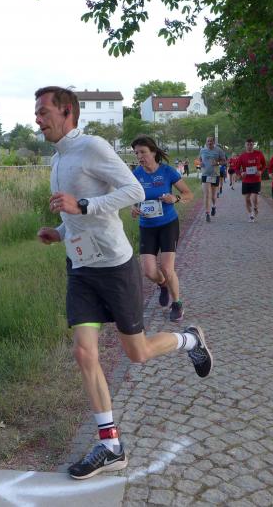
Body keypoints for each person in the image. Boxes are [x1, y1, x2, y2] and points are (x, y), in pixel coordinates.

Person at [34, 86, 213, 480]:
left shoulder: (93, 147)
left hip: (114, 267)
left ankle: (190, 340)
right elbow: (77, 215)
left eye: (44, 111)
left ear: (67, 112)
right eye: (37, 112)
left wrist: (83, 205)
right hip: (80, 267)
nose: (37, 119)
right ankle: (110, 446)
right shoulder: (58, 159)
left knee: (138, 352)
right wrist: (60, 232)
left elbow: (133, 190)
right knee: (84, 352)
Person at [131, 135, 193, 322]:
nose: (139, 156)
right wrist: (133, 208)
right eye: (136, 153)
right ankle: (163, 284)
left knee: (167, 267)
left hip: (168, 224)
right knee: (149, 271)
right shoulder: (136, 174)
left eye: (143, 152)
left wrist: (175, 199)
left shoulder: (167, 171)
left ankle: (177, 304)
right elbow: (132, 199)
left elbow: (188, 193)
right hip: (147, 226)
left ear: (153, 152)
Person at [236, 138, 267, 222]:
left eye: (251, 144)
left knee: (254, 198)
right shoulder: (242, 156)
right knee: (247, 199)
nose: (249, 146)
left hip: (256, 180)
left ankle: (255, 208)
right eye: (248, 144)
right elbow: (236, 168)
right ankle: (250, 214)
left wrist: (260, 171)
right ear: (245, 145)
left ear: (253, 145)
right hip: (246, 180)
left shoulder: (259, 154)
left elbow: (264, 165)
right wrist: (241, 173)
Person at [199, 136, 224, 222]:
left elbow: (224, 161)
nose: (209, 142)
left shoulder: (219, 150)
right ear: (206, 142)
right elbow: (199, 159)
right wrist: (200, 163)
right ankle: (207, 213)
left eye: (211, 141)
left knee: (213, 196)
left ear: (214, 142)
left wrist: (217, 163)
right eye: (208, 141)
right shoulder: (202, 150)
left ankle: (213, 206)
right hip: (205, 175)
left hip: (215, 175)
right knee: (206, 194)